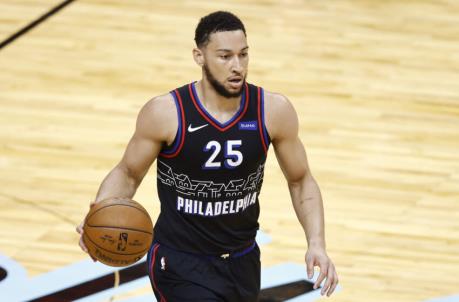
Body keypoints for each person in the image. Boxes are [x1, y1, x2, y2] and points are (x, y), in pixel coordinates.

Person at [76, 10, 338, 301]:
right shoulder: (166, 113)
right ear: (199, 56)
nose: (237, 66)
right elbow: (128, 173)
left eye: (243, 55)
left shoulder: (272, 110)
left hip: (243, 258)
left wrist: (317, 243)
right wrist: (101, 210)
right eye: (225, 56)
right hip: (179, 263)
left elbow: (301, 181)